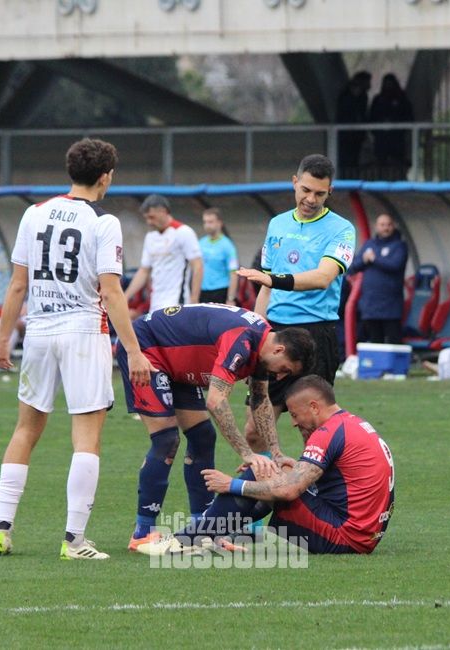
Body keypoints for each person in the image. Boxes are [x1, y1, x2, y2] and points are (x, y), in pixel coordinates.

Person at [0, 137, 154, 560]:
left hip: (39, 332)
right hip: (83, 332)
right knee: (86, 438)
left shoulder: (34, 213)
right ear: (105, 177)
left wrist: (3, 338)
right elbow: (111, 291)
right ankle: (73, 540)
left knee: (25, 429)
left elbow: (18, 284)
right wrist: (134, 351)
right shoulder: (104, 222)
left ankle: (2, 531)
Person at [116, 303, 315, 555]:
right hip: (148, 348)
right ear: (279, 349)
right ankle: (142, 533)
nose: (280, 376)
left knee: (203, 437)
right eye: (285, 369)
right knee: (166, 439)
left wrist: (275, 452)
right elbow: (216, 400)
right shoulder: (241, 339)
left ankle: (203, 532)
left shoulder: (262, 345)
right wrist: (247, 454)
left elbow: (259, 399)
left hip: (177, 362)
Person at [180, 375, 394, 555]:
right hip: (364, 535)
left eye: (294, 414)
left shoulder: (327, 432)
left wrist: (231, 485)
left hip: (344, 537)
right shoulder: (351, 423)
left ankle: (189, 538)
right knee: (274, 470)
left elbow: (289, 491)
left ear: (314, 407)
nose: (293, 422)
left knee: (264, 471)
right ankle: (210, 534)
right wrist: (288, 468)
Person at [237, 154, 356, 451]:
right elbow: (265, 288)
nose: (311, 199)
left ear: (330, 192)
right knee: (254, 430)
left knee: (314, 429)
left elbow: (323, 277)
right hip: (276, 334)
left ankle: (316, 480)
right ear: (294, 182)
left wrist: (274, 279)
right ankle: (267, 479)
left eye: (320, 193)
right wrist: (255, 337)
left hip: (317, 333)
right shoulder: (277, 224)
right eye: (305, 190)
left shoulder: (342, 229)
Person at [123, 194, 204, 312]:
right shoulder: (150, 236)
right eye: (146, 218)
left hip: (177, 302)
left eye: (152, 217)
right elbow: (144, 271)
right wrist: (125, 297)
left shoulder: (183, 232)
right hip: (156, 303)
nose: (149, 222)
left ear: (163, 211)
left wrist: (194, 299)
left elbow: (197, 266)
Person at [347, 213, 408, 344]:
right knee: (375, 341)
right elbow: (353, 267)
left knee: (394, 341)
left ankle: (395, 359)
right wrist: (365, 260)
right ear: (376, 226)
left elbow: (395, 265)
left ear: (393, 226)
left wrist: (374, 259)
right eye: (382, 225)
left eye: (389, 225)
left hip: (391, 305)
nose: (386, 228)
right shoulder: (369, 244)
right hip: (370, 305)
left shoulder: (399, 246)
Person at [369, 73, 414, 181]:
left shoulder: (402, 99)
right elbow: (372, 118)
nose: (388, 86)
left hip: (397, 140)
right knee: (381, 164)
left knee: (398, 164)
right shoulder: (378, 99)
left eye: (390, 83)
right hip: (381, 140)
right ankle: (380, 184)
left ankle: (400, 182)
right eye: (386, 84)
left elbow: (408, 117)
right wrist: (381, 126)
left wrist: (395, 123)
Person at [197, 207, 239, 305]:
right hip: (202, 292)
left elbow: (233, 273)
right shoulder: (200, 243)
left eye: (210, 222)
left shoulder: (228, 246)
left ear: (219, 223)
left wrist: (230, 298)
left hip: (220, 291)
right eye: (205, 222)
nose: (207, 225)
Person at [335, 71, 372, 179]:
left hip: (357, 136)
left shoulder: (363, 97)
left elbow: (363, 115)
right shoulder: (345, 96)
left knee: (355, 161)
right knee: (345, 161)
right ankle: (344, 180)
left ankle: (353, 179)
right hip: (346, 136)